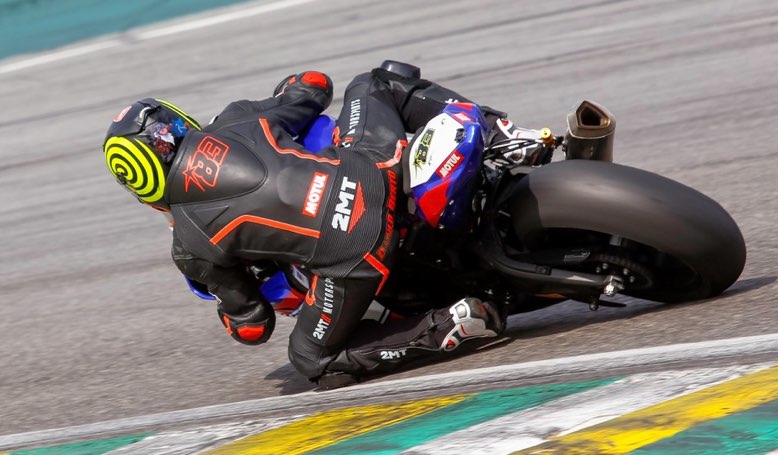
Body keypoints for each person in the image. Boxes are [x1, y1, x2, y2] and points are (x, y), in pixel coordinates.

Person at [103, 61, 544, 388]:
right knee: (377, 81)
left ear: (138, 180)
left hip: (354, 254)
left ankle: (448, 323)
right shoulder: (236, 119)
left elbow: (254, 326)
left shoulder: (189, 244)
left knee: (312, 359)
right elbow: (315, 86)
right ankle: (502, 132)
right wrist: (290, 88)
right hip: (378, 169)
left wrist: (231, 313)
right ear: (178, 121)